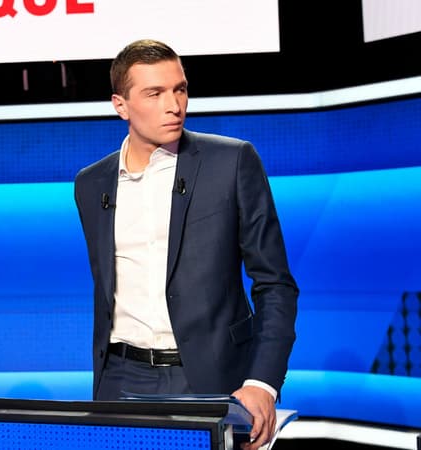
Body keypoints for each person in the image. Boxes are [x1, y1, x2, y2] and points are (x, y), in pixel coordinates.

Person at [73, 39, 298, 449]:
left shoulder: (231, 162)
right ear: (120, 105)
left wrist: (262, 382)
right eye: (154, 93)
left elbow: (275, 284)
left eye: (180, 89)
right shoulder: (91, 184)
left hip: (212, 379)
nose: (174, 105)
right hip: (121, 380)